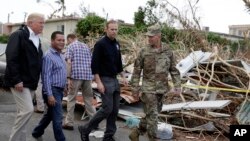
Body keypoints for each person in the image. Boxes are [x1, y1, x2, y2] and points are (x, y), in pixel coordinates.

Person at [129, 24, 181, 141]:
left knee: (151, 114)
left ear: (159, 36)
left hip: (162, 89)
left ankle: (136, 132)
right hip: (148, 89)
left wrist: (177, 85)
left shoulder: (168, 51)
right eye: (148, 36)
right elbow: (136, 71)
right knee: (153, 117)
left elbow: (174, 70)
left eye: (152, 36)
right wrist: (135, 89)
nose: (149, 38)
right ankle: (153, 138)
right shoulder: (144, 51)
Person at [78, 19, 128, 141]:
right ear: (106, 29)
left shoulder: (116, 44)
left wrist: (122, 76)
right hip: (104, 79)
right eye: (112, 29)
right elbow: (94, 65)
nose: (114, 31)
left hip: (114, 80)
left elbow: (118, 62)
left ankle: (108, 135)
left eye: (116, 29)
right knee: (107, 109)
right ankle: (86, 128)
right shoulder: (100, 44)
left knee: (115, 110)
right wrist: (99, 82)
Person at [4, 12, 45, 141]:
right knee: (27, 110)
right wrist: (17, 80)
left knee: (23, 114)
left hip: (31, 81)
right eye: (41, 22)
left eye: (43, 23)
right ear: (30, 23)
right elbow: (11, 57)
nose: (43, 25)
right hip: (19, 82)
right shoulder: (18, 35)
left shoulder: (37, 38)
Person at [32, 31, 67, 141]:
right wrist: (49, 95)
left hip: (59, 90)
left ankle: (36, 132)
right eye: (59, 40)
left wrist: (64, 86)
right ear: (52, 41)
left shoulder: (60, 55)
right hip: (52, 90)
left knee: (50, 115)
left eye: (63, 40)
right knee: (58, 118)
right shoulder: (48, 56)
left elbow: (61, 72)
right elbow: (46, 77)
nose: (62, 42)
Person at [62, 33, 96, 130]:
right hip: (88, 76)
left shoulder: (71, 46)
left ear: (69, 39)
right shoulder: (86, 46)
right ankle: (94, 122)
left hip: (75, 76)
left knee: (71, 99)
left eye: (67, 41)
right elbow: (92, 61)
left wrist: (68, 78)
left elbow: (68, 62)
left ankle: (69, 123)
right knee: (89, 100)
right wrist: (92, 76)